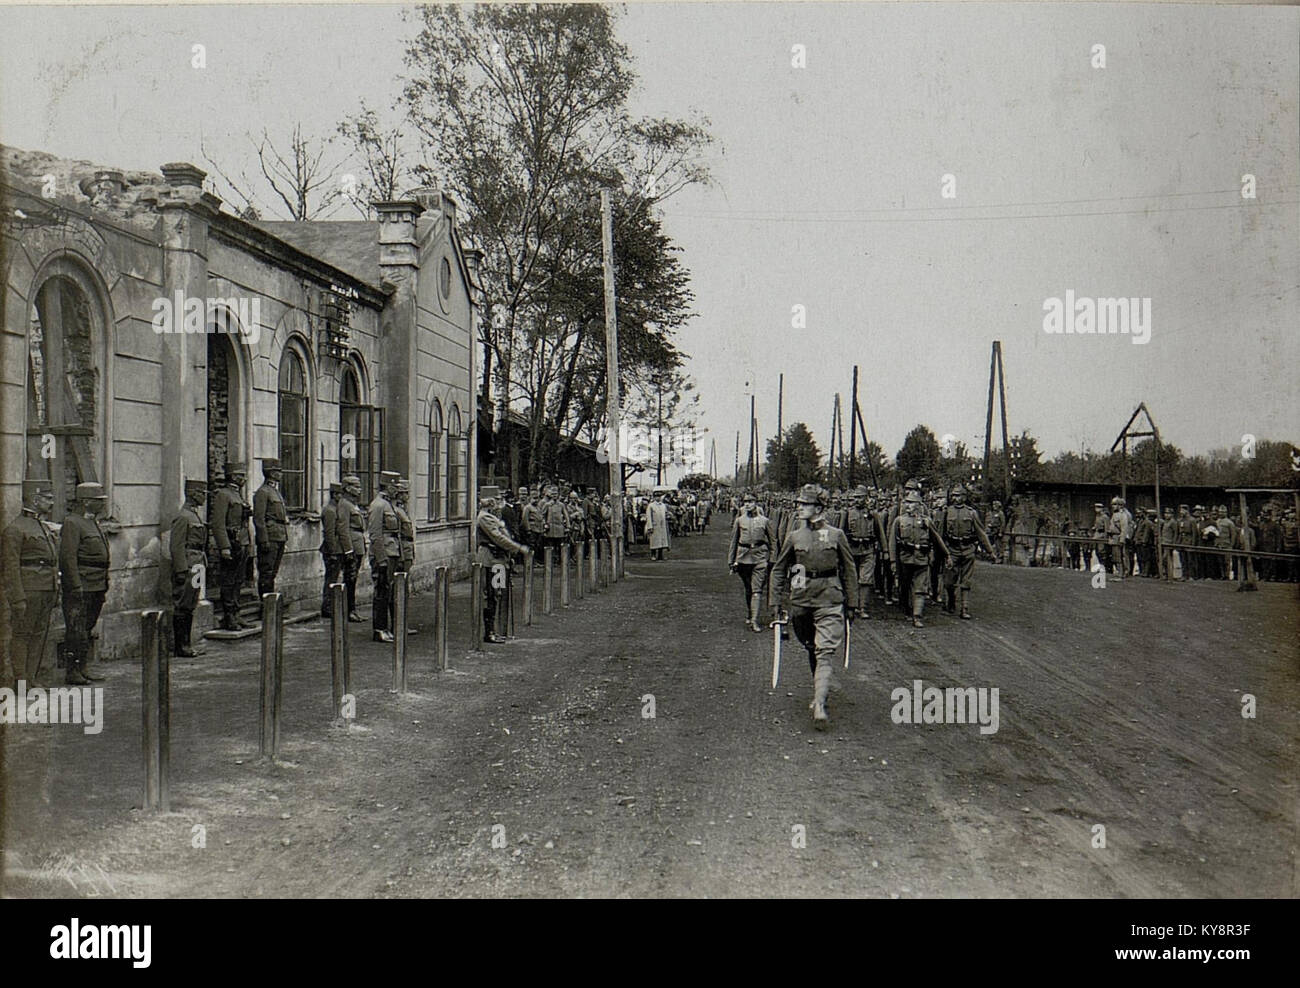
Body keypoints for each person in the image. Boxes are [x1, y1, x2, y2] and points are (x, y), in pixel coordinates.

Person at [769, 484, 859, 730]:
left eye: (804, 504)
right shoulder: (794, 536)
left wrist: (852, 603)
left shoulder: (836, 535)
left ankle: (819, 702)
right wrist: (776, 602)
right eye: (798, 503)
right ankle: (820, 687)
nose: (799, 508)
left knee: (824, 651)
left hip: (830, 599)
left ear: (818, 508)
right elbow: (780, 569)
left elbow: (849, 570)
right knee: (811, 646)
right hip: (802, 602)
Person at [2, 479, 59, 686]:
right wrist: (17, 598)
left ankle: (32, 678)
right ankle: (21, 681)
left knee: (39, 635)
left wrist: (56, 589)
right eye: (48, 498)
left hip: (46, 589)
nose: (52, 503)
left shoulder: (41, 526)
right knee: (22, 635)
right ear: (35, 500)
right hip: (29, 591)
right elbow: (10, 568)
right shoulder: (15, 529)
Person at [58, 482, 111, 684]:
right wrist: (75, 585)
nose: (102, 505)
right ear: (86, 502)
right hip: (82, 585)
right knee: (76, 629)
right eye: (98, 501)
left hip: (96, 585)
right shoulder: (72, 523)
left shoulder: (92, 522)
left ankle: (83, 667)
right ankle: (72, 671)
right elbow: (68, 557)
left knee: (87, 628)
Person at [937, 483, 1000, 619]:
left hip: (967, 550)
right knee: (948, 581)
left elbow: (981, 534)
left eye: (959, 495)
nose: (956, 498)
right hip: (951, 550)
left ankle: (964, 608)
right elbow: (940, 535)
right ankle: (951, 602)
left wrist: (990, 552)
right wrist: (941, 552)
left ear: (965, 497)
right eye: (954, 495)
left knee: (966, 581)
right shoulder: (947, 512)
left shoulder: (971, 513)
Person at [889, 490, 949, 628]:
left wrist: (946, 555)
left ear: (919, 505)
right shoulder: (899, 521)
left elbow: (937, 540)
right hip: (905, 559)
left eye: (912, 503)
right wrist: (893, 561)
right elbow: (893, 543)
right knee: (904, 587)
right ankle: (905, 607)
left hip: (921, 559)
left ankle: (917, 616)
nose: (908, 505)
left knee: (920, 589)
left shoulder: (927, 521)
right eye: (907, 502)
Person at [476, 486, 528, 643]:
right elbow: (498, 538)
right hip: (491, 560)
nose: (500, 502)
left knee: (497, 593)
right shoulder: (485, 517)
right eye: (497, 499)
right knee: (492, 594)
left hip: (499, 559)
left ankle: (494, 630)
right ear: (489, 501)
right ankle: (489, 631)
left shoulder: (492, 516)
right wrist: (518, 548)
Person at [170, 479, 208, 657]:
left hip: (198, 565)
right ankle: (181, 646)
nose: (204, 497)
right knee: (183, 604)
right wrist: (180, 570)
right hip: (188, 567)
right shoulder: (183, 516)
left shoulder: (193, 515)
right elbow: (176, 546)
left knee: (192, 602)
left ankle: (187, 644)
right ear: (193, 494)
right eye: (202, 493)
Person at [211, 463, 252, 630]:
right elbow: (218, 523)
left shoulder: (237, 495)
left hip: (242, 541)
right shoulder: (223, 494)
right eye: (241, 475)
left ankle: (237, 613)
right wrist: (224, 546)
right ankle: (229, 616)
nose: (244, 479)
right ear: (233, 476)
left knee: (238, 580)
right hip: (232, 541)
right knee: (228, 580)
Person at [728, 491, 776, 632]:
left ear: (756, 503)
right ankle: (751, 612)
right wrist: (731, 561)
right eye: (745, 502)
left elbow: (773, 542)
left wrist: (772, 559)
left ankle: (754, 621)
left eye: (750, 502)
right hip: (743, 558)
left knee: (757, 590)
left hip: (760, 557)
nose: (748, 505)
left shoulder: (764, 521)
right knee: (748, 588)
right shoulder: (740, 520)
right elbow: (734, 541)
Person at [367, 470, 402, 642]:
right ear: (387, 486)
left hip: (392, 553)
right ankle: (379, 629)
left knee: (388, 591)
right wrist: (381, 559)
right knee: (381, 591)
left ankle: (385, 627)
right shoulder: (378, 505)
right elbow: (375, 534)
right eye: (394, 486)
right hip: (384, 555)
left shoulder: (388, 504)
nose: (397, 489)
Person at [253, 457, 288, 599]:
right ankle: (265, 606)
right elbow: (259, 518)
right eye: (278, 471)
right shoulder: (263, 492)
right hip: (270, 536)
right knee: (266, 573)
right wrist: (263, 540)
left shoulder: (274, 491)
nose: (281, 474)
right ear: (272, 473)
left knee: (272, 573)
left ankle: (271, 607)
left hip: (279, 536)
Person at [844, 486, 877, 619]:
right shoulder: (847, 513)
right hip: (851, 550)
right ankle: (851, 605)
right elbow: (842, 532)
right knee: (851, 578)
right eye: (856, 497)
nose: (858, 500)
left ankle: (862, 607)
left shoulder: (872, 514)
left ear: (866, 498)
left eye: (861, 497)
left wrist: (885, 550)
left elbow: (879, 531)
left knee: (865, 580)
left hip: (867, 549)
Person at [339, 475, 367, 621]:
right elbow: (343, 529)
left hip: (358, 545)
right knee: (349, 580)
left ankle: (352, 610)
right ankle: (349, 611)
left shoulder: (352, 504)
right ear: (348, 488)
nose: (359, 489)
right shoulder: (344, 504)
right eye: (356, 486)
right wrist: (348, 550)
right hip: (352, 547)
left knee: (353, 579)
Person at [395, 478, 418, 635]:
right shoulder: (396, 510)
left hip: (407, 549)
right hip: (402, 550)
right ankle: (399, 623)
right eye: (405, 493)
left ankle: (402, 622)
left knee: (404, 588)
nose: (407, 496)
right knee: (401, 588)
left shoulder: (402, 509)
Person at [320, 482, 345, 618]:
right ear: (335, 495)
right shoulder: (330, 510)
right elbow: (329, 534)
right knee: (331, 579)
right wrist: (333, 552)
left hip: (336, 549)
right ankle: (327, 607)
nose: (342, 497)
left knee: (333, 579)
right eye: (340, 494)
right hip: (332, 551)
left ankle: (330, 605)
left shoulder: (335, 508)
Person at [645, 490, 670, 561]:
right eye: (656, 497)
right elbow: (649, 516)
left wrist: (667, 516)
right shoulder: (651, 505)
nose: (658, 498)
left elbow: (665, 513)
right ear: (654, 497)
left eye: (659, 496)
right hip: (654, 525)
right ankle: (653, 555)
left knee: (661, 541)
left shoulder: (663, 505)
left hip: (662, 525)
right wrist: (650, 526)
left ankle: (660, 555)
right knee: (654, 541)